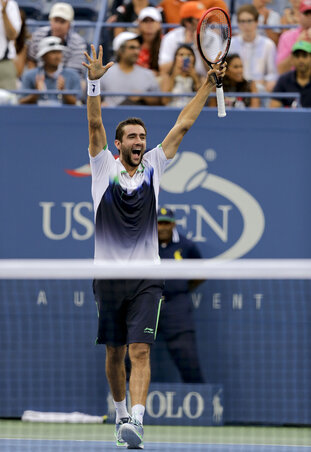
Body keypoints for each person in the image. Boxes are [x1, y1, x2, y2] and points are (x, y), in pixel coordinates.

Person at [82, 43, 225, 449]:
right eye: (132, 136)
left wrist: (207, 83)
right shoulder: (102, 167)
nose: (140, 141)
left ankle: (137, 422)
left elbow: (182, 125)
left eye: (143, 136)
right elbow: (94, 127)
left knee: (140, 350)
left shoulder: (156, 166)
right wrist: (94, 85)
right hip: (108, 278)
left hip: (147, 276)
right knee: (114, 354)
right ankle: (121, 412)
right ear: (118, 143)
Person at [156, 207, 205, 383]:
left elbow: (200, 274)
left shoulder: (187, 246)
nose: (162, 227)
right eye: (159, 223)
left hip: (177, 306)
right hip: (147, 305)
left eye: (166, 223)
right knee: (133, 355)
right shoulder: (144, 245)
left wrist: (180, 289)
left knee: (188, 358)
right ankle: (124, 407)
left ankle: (200, 404)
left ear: (173, 224)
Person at [27, 2, 87, 81]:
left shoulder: (78, 43)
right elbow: (32, 60)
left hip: (68, 82)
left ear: (69, 24)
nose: (58, 26)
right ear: (50, 21)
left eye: (62, 22)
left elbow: (75, 73)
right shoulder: (38, 34)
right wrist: (36, 80)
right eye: (56, 20)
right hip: (40, 80)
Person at [100, 31, 161, 106]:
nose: (136, 52)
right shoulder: (105, 73)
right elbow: (92, 99)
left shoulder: (148, 74)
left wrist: (143, 96)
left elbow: (158, 101)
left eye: (138, 48)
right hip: (110, 116)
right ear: (120, 51)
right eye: (132, 48)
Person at [230, 4, 278, 94]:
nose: (245, 25)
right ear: (238, 23)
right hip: (236, 89)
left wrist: (263, 83)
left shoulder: (268, 44)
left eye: (249, 21)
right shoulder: (231, 43)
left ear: (256, 22)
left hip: (261, 90)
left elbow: (272, 74)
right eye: (242, 21)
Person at [19, 36, 81, 105]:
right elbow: (21, 102)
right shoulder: (30, 75)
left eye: (59, 52)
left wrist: (64, 92)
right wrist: (36, 93)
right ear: (43, 56)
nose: (57, 56)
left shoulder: (73, 75)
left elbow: (78, 103)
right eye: (53, 52)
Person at [158, 1, 208, 77]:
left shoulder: (213, 37)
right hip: (175, 80)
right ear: (188, 22)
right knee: (163, 79)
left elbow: (214, 72)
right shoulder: (170, 37)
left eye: (205, 18)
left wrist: (200, 47)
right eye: (199, 19)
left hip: (202, 81)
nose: (204, 22)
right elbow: (163, 70)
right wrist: (184, 48)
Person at [270, 40, 311, 107]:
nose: (300, 60)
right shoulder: (283, 80)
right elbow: (273, 109)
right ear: (292, 59)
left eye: (304, 56)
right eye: (297, 56)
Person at [276, 0, 311, 75]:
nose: (309, 17)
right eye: (306, 13)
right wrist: (297, 46)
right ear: (299, 15)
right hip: (292, 81)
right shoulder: (287, 37)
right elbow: (281, 70)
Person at [0, 0, 21, 90]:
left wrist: (4, 12)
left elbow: (12, 35)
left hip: (4, 62)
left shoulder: (10, 5)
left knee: (8, 100)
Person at [136, 7, 163, 77]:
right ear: (139, 24)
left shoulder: (166, 42)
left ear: (159, 24)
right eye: (145, 21)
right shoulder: (132, 43)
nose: (149, 24)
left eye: (152, 21)